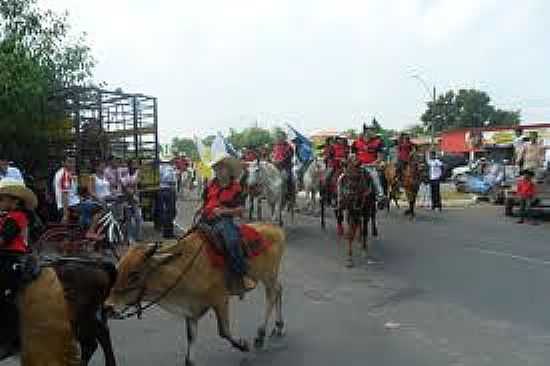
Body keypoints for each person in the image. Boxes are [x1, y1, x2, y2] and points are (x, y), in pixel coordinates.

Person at [201, 153, 255, 296]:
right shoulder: (210, 185)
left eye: (221, 168)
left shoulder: (236, 187)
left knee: (231, 241)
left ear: (228, 169)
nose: (218, 171)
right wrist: (203, 210)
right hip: (206, 217)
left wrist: (224, 211)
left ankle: (242, 275)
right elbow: (205, 203)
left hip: (224, 220)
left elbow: (241, 209)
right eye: (216, 168)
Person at [0, 179, 37, 349]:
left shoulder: (17, 217)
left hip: (12, 257)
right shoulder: (8, 215)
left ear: (15, 201)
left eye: (3, 199)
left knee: (5, 297)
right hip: (5, 255)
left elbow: (3, 240)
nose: (0, 202)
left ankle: (12, 338)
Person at [351, 124, 386, 205]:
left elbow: (380, 157)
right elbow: (353, 155)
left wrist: (373, 163)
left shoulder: (378, 142)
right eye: (372, 130)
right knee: (344, 176)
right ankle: (342, 195)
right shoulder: (356, 142)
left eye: (373, 130)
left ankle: (380, 196)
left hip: (371, 166)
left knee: (375, 177)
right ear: (366, 131)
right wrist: (355, 162)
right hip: (358, 166)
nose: (374, 132)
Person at [121, 159, 142, 243]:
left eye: (135, 164)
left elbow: (137, 184)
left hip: (135, 198)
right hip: (126, 197)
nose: (135, 165)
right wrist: (129, 189)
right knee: (128, 218)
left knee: (138, 217)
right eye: (133, 164)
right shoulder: (124, 172)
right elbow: (123, 185)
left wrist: (133, 192)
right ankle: (129, 236)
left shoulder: (138, 172)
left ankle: (138, 235)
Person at [53, 157, 80, 222]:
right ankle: (90, 230)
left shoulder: (59, 173)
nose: (72, 164)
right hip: (70, 206)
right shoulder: (65, 175)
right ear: (63, 163)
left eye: (74, 162)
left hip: (69, 204)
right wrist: (65, 214)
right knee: (97, 209)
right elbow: (64, 194)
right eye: (69, 162)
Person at [158, 160, 177, 238]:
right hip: (168, 190)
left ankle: (166, 231)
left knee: (166, 211)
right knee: (170, 212)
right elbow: (171, 181)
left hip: (162, 190)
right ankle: (168, 232)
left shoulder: (160, 168)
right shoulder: (169, 169)